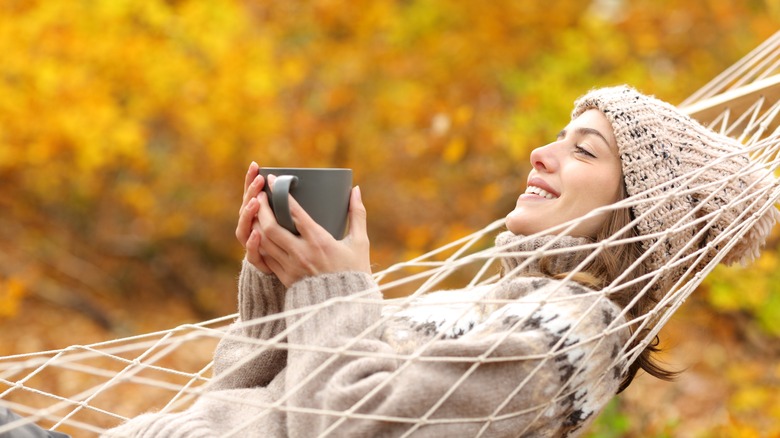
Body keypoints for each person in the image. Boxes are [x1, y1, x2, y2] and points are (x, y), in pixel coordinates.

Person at [102, 86, 778, 437]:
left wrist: (334, 286)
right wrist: (280, 286)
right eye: (556, 138)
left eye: (585, 149)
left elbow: (346, 429)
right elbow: (245, 404)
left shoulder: (571, 339)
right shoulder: (485, 305)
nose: (542, 154)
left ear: (638, 214)